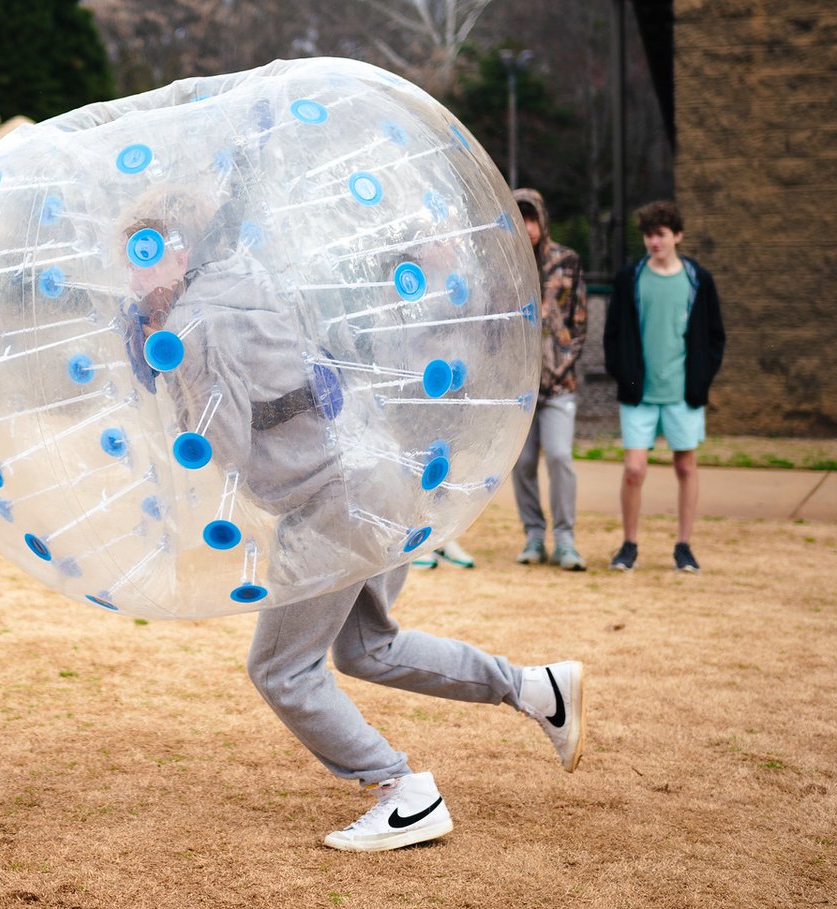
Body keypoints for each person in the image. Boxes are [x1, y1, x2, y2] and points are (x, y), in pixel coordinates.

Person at [123, 198, 585, 853]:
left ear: (181, 251)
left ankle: (403, 790)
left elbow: (221, 442)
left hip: (328, 497)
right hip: (374, 471)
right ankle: (538, 689)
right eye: (131, 264)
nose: (135, 280)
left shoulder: (195, 325)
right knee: (369, 648)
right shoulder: (243, 283)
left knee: (283, 668)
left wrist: (167, 369)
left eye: (144, 257)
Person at [601, 199, 726, 574]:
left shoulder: (697, 280)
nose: (654, 242)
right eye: (648, 235)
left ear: (677, 236)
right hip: (639, 393)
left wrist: (700, 379)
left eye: (661, 235)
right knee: (634, 469)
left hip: (682, 394)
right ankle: (629, 545)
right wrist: (625, 375)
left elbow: (715, 336)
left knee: (686, 466)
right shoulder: (630, 278)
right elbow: (614, 334)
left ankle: (684, 547)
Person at [510, 189, 588, 571]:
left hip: (559, 387)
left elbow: (579, 323)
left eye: (533, 218)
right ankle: (534, 535)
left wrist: (559, 367)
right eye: (519, 218)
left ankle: (566, 539)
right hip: (518, 391)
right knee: (522, 463)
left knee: (558, 456)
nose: (528, 228)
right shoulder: (503, 263)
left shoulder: (567, 262)